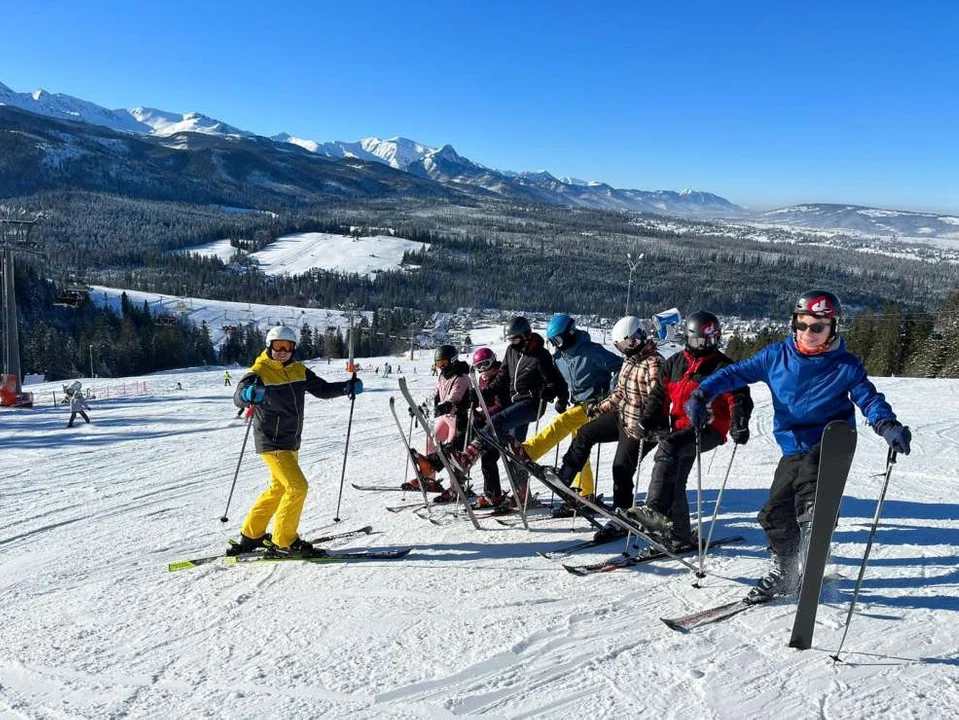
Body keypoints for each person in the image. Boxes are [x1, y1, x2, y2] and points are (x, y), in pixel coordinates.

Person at [684, 291, 910, 603]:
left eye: (817, 327)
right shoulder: (776, 356)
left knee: (809, 492)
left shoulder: (845, 365)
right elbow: (734, 374)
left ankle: (816, 525)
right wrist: (701, 394)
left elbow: (869, 399)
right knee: (774, 512)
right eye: (801, 325)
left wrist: (887, 425)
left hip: (832, 442)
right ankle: (785, 571)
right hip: (793, 446)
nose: (808, 333)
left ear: (833, 328)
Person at [230, 325, 363, 557]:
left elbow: (321, 389)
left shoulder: (299, 370)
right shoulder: (259, 371)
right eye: (278, 346)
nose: (282, 351)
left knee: (279, 488)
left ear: (293, 349)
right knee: (297, 487)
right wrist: (246, 395)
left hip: (290, 441)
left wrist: (345, 387)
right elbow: (239, 394)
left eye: (288, 347)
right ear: (269, 346)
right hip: (272, 442)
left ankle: (252, 535)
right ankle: (285, 541)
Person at [627, 311, 752, 550]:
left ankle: (655, 510)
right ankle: (681, 536)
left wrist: (739, 422)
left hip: (709, 428)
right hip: (681, 428)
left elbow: (739, 397)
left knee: (668, 448)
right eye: (698, 341)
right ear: (688, 337)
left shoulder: (723, 366)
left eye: (708, 341)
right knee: (675, 480)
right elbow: (659, 395)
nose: (703, 346)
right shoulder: (675, 363)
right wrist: (648, 420)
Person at [550, 317, 665, 540]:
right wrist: (597, 409)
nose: (623, 350)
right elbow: (619, 394)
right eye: (619, 347)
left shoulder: (654, 362)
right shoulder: (630, 361)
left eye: (624, 345)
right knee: (585, 433)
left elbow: (657, 398)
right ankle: (566, 477)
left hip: (641, 428)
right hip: (623, 417)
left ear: (636, 338)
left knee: (621, 469)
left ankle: (621, 519)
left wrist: (646, 422)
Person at [456, 317, 568, 506]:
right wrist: (483, 393)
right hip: (515, 405)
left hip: (532, 405)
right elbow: (502, 378)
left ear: (526, 336)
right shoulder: (511, 351)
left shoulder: (541, 355)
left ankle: (468, 457)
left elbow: (555, 381)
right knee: (512, 450)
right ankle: (523, 495)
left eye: (515, 339)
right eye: (510, 340)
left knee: (497, 422)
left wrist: (557, 397)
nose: (512, 343)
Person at [519, 313, 622, 515]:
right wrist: (562, 398)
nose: (557, 345)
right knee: (578, 446)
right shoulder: (560, 357)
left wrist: (610, 393)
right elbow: (560, 381)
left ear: (570, 333)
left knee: (563, 422)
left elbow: (620, 366)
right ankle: (585, 493)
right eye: (553, 342)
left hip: (597, 404)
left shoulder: (592, 351)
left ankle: (528, 451)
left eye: (558, 340)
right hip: (579, 404)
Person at [403, 345, 473, 503]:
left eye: (444, 363)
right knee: (432, 442)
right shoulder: (442, 377)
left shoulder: (462, 378)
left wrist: (436, 409)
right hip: (445, 417)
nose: (441, 367)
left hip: (458, 418)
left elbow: (452, 400)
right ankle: (429, 479)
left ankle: (457, 487)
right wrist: (421, 408)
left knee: (451, 451)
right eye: (438, 364)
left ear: (453, 361)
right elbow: (437, 395)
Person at [469, 347, 513, 508]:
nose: (483, 369)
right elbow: (483, 402)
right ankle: (493, 494)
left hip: (502, 423)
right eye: (479, 366)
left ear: (493, 360)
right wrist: (477, 411)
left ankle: (501, 494)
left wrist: (484, 415)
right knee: (488, 458)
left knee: (497, 457)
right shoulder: (482, 379)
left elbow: (501, 405)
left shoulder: (500, 376)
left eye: (486, 364)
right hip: (489, 423)